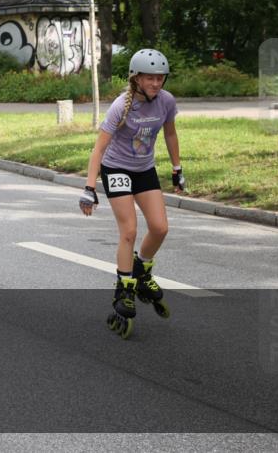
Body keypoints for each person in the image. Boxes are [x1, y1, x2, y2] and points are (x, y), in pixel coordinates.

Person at [80, 48, 184, 339]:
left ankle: (142, 272)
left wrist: (177, 168)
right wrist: (89, 188)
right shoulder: (120, 107)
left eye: (160, 78)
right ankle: (124, 289)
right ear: (136, 78)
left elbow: (170, 134)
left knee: (160, 228)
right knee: (129, 230)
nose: (156, 83)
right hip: (116, 169)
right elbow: (99, 149)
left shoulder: (166, 102)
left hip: (144, 170)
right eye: (150, 78)